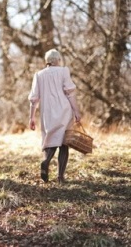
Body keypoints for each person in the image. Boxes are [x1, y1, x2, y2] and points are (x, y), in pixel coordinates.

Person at [28, 49, 81, 184]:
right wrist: (76, 112)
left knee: (50, 139)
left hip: (48, 112)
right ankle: (60, 177)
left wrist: (31, 117)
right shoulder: (64, 71)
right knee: (64, 143)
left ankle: (46, 161)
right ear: (57, 60)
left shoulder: (39, 75)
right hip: (64, 110)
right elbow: (70, 93)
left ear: (47, 61)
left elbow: (34, 99)